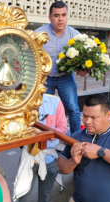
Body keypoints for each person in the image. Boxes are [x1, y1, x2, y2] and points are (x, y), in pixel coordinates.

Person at [34, 1, 82, 134]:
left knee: (73, 109)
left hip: (65, 78)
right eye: (56, 15)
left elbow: (81, 59)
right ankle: (42, 139)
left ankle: (75, 139)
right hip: (45, 79)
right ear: (50, 17)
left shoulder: (75, 35)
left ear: (67, 16)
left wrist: (83, 69)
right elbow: (31, 57)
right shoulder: (38, 33)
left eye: (63, 15)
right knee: (43, 110)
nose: (60, 19)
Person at [17, 94, 67, 202]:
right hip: (28, 157)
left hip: (49, 157)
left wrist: (44, 135)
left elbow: (62, 128)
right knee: (23, 198)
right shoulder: (19, 102)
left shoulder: (55, 101)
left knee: (45, 198)